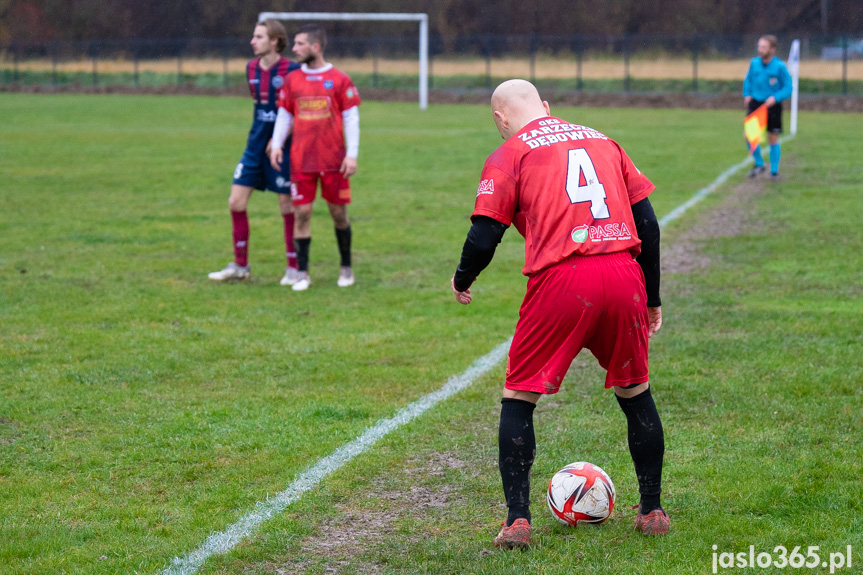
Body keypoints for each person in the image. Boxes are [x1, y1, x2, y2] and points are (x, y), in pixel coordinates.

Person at [450, 80, 668, 549]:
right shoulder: (603, 139)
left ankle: (517, 522)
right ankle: (651, 510)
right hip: (622, 274)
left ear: (500, 120)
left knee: (519, 397)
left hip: (561, 281)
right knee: (636, 392)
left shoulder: (510, 152)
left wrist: (462, 278)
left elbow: (485, 236)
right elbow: (647, 223)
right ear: (547, 107)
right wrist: (652, 297)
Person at [269, 23, 361, 291]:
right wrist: (276, 144)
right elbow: (285, 114)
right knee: (302, 214)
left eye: (299, 44)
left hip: (334, 161)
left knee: (338, 214)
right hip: (301, 161)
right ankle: (302, 273)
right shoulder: (292, 79)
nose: (294, 49)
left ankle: (346, 267)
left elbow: (351, 117)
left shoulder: (340, 79)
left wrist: (352, 155)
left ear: (316, 47)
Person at [208, 20, 301, 285]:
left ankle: (294, 268)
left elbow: (298, 110)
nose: (252, 41)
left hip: (282, 149)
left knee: (286, 206)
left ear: (274, 41)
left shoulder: (292, 70)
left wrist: (280, 138)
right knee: (235, 202)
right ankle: (240, 266)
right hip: (254, 146)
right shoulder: (250, 68)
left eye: (258, 36)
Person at [743, 34, 792, 179]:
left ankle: (774, 171)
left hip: (772, 105)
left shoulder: (780, 66)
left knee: (772, 138)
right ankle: (760, 164)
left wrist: (775, 97)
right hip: (756, 103)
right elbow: (748, 80)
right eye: (759, 46)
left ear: (772, 50)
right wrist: (747, 94)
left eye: (763, 47)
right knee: (749, 136)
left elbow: (788, 87)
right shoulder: (754, 63)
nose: (760, 49)